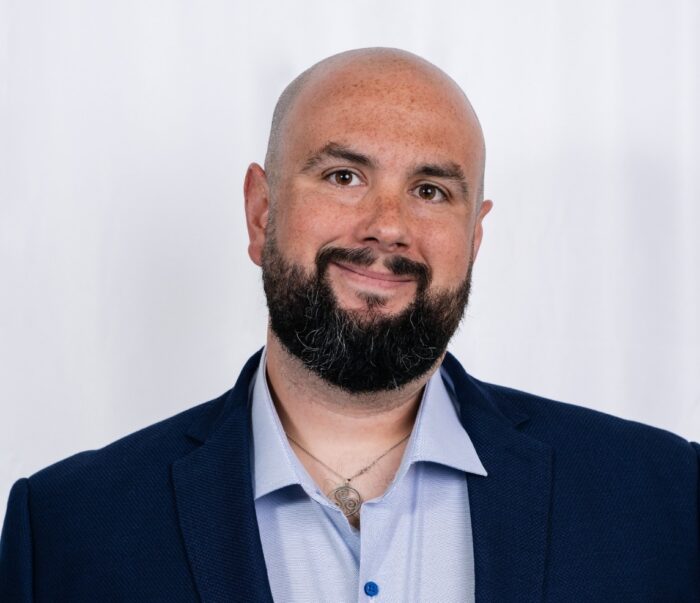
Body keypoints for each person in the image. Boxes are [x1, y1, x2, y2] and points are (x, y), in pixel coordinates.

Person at [1, 48, 698, 602]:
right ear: (261, 214)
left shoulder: (664, 499)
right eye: (343, 176)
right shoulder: (67, 531)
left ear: (474, 238)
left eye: (431, 190)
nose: (387, 226)